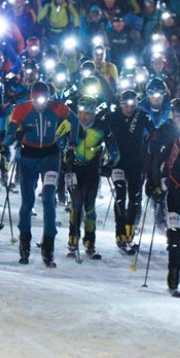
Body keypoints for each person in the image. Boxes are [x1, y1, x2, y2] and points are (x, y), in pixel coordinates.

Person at [3, 80, 77, 267]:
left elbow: (74, 120)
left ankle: (48, 246)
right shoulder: (21, 109)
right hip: (28, 157)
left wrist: (72, 144)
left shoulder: (57, 107)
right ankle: (25, 242)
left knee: (48, 199)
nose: (40, 104)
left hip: (50, 156)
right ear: (30, 98)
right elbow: (11, 130)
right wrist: (11, 139)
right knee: (27, 201)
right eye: (36, 100)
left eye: (43, 100)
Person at [65, 96, 119, 260]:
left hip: (92, 171)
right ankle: (73, 240)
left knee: (89, 206)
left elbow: (115, 150)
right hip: (73, 170)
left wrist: (110, 165)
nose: (84, 117)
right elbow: (58, 142)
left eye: (88, 114)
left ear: (94, 113)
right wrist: (63, 158)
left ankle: (90, 242)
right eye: (81, 113)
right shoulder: (70, 124)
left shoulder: (102, 127)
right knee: (76, 204)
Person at [105, 89, 154, 253]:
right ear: (121, 105)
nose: (129, 108)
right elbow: (101, 136)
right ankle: (120, 235)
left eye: (133, 105)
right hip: (118, 162)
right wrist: (104, 160)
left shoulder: (142, 116)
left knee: (134, 199)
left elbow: (154, 133)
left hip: (136, 163)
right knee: (120, 196)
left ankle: (129, 234)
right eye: (126, 105)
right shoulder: (112, 117)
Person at [154, 98, 180, 295]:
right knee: (175, 235)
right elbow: (157, 161)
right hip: (174, 193)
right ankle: (173, 273)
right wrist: (155, 181)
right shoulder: (171, 139)